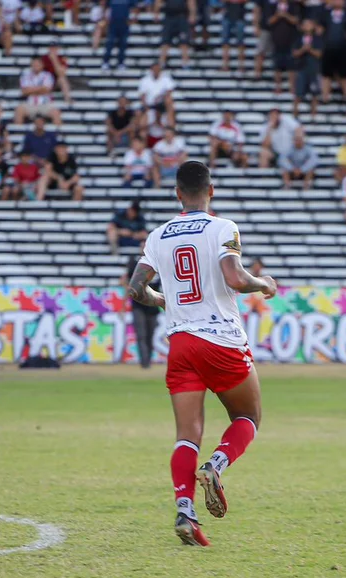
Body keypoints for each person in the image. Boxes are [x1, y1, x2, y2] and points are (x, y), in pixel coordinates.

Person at [126, 160, 277, 547]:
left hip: (180, 344)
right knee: (248, 415)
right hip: (221, 339)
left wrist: (166, 302)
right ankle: (216, 466)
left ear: (177, 193)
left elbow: (136, 287)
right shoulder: (223, 227)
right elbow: (235, 278)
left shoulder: (158, 236)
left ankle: (184, 511)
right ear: (211, 191)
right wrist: (265, 284)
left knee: (186, 435)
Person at [123, 254, 160, 369]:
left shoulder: (159, 263)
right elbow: (127, 283)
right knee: (141, 335)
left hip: (153, 306)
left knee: (150, 335)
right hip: (138, 305)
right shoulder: (135, 264)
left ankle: (148, 360)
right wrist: (123, 304)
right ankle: (144, 363)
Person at [291, 19, 323, 119]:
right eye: (305, 24)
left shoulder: (318, 39)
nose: (307, 26)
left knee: (315, 93)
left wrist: (310, 50)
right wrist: (303, 49)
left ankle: (314, 115)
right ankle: (295, 113)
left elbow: (320, 54)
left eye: (309, 24)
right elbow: (294, 53)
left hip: (314, 69)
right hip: (301, 68)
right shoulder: (298, 39)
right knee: (298, 93)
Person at [15, 58, 60, 125]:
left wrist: (31, 89)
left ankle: (58, 134)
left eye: (37, 64)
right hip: (30, 103)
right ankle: (17, 133)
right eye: (34, 64)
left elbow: (47, 90)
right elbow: (24, 91)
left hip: (45, 103)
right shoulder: (26, 75)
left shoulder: (47, 75)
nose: (36, 66)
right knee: (19, 110)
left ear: (42, 65)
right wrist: (40, 89)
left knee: (56, 112)